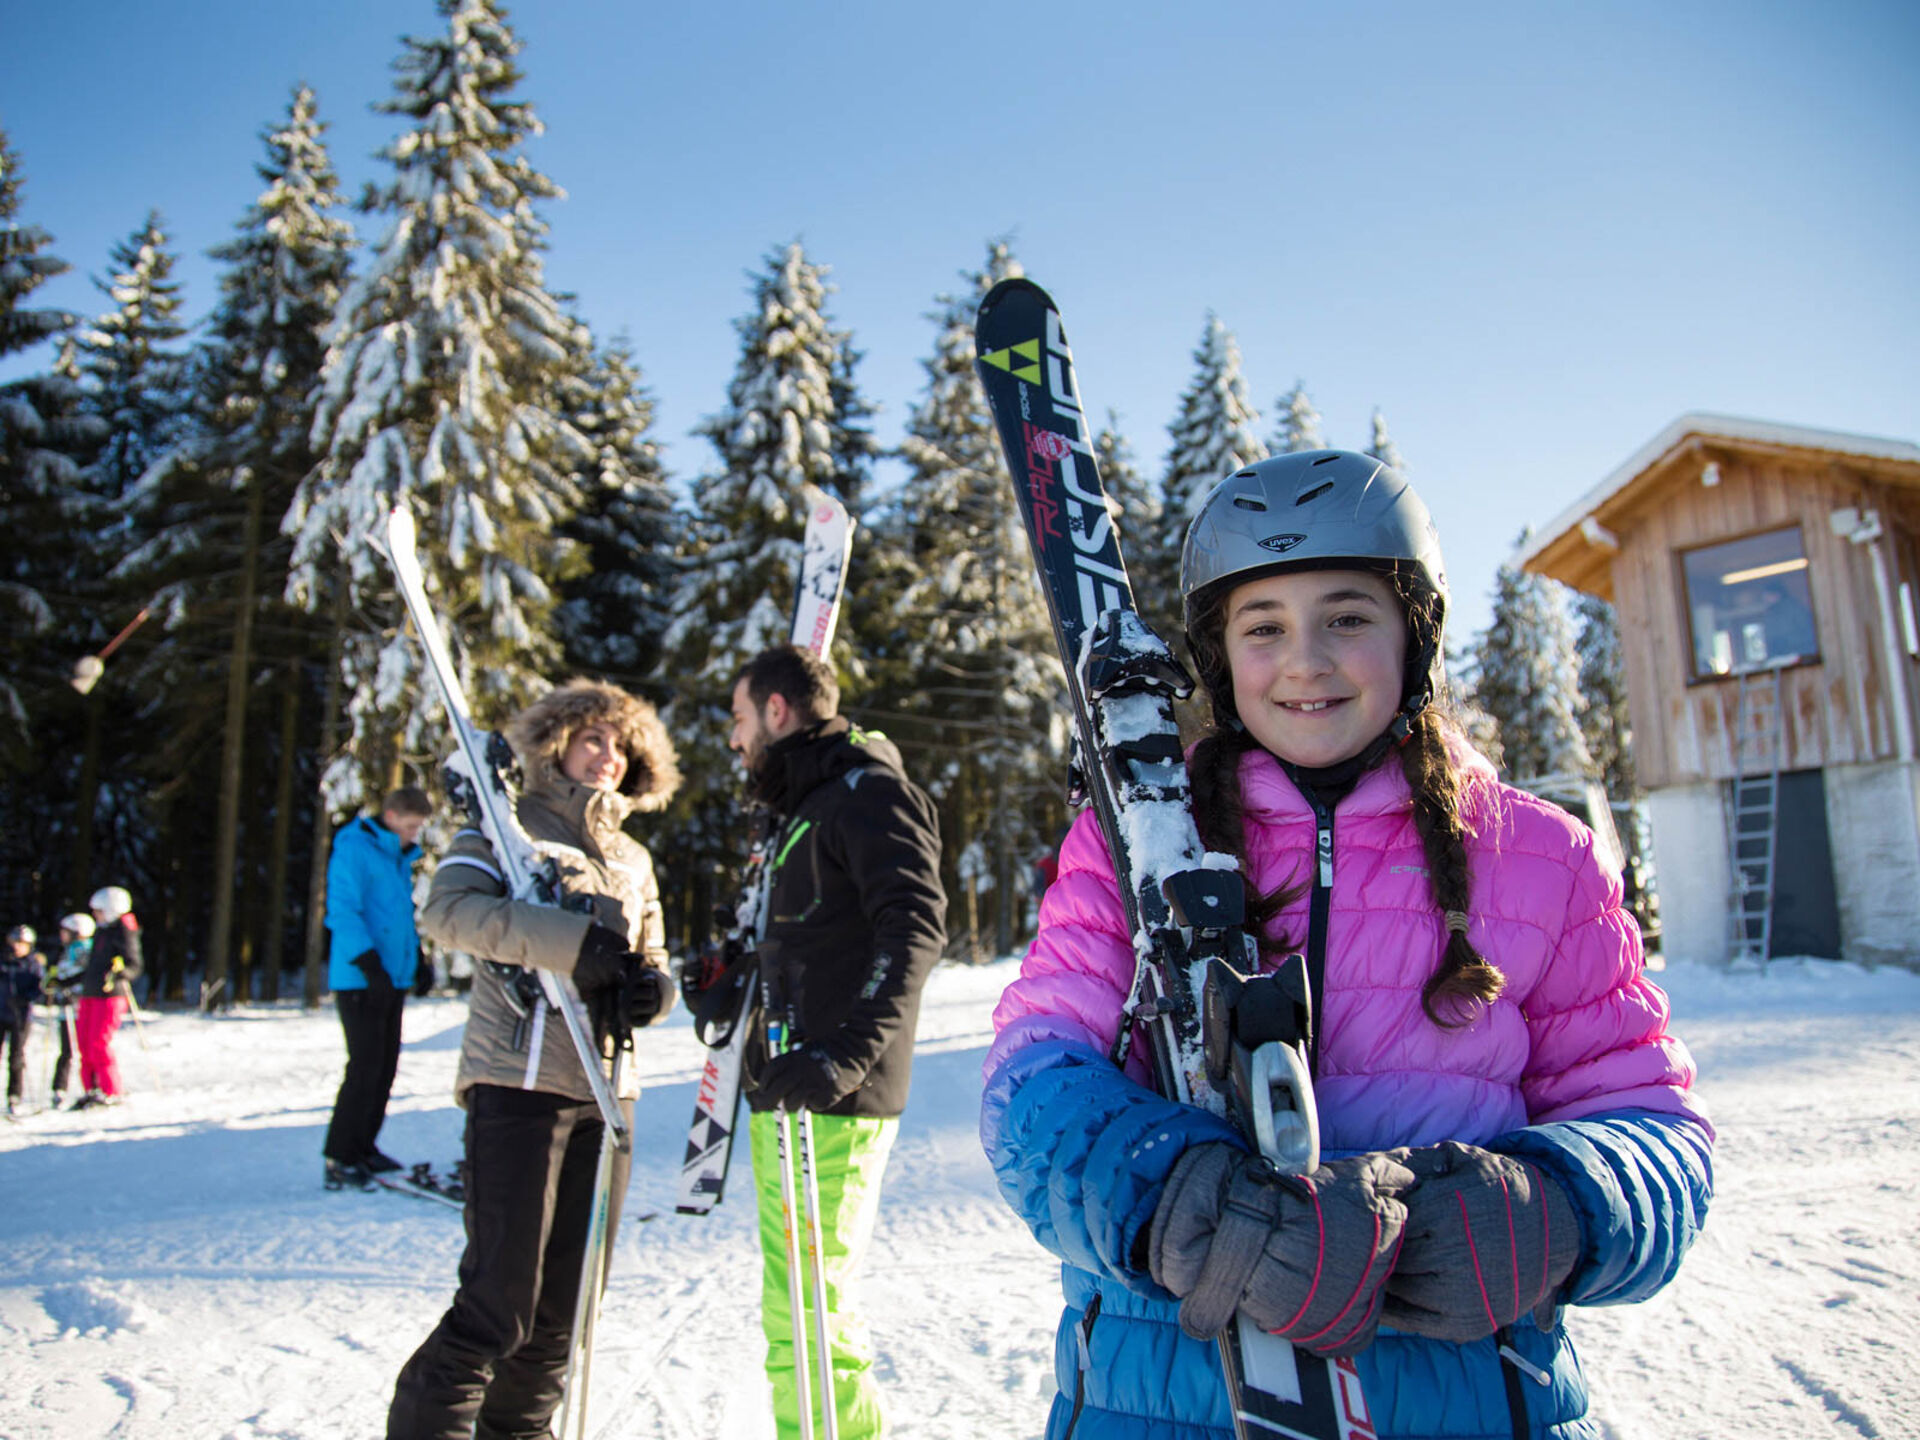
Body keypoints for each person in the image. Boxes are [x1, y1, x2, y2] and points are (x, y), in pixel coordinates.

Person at [980, 451, 1715, 1439]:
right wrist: (1178, 1198)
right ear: (1220, 656)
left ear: (1414, 636)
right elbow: (1031, 1082)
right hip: (1162, 1396)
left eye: (1348, 618)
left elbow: (1651, 1123)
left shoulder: (1540, 858)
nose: (1306, 661)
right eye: (1264, 627)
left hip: (1472, 1400)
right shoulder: (1134, 845)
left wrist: (1555, 1212)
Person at [388, 678, 680, 1440]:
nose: (607, 755)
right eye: (592, 738)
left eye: (620, 744)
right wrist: (573, 944)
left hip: (609, 1092)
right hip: (519, 1080)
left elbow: (653, 955)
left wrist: (653, 989)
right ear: (555, 744)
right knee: (499, 1303)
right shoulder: (508, 830)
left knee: (566, 1310)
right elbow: (449, 914)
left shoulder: (633, 858)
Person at [722, 644, 947, 1440]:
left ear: (777, 712)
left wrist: (843, 1056)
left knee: (814, 1312)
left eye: (741, 719)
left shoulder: (868, 792)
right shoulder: (805, 807)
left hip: (835, 1100)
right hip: (789, 1088)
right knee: (797, 1310)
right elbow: (811, 939)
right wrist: (729, 978)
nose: (736, 739)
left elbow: (915, 928)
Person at [321, 785, 434, 1188]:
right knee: (364, 1067)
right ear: (390, 817)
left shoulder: (396, 858)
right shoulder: (356, 848)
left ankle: (364, 1146)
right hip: (360, 977)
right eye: (409, 825)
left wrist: (417, 960)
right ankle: (339, 1157)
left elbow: (399, 916)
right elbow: (343, 911)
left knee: (385, 1067)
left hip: (391, 977)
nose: (414, 835)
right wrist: (369, 966)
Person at [72, 886, 142, 1109]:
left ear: (112, 910)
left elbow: (134, 964)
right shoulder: (102, 931)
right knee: (84, 1042)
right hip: (90, 992)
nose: (95, 915)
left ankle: (111, 1090)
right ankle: (91, 1089)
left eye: (99, 911)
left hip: (109, 994)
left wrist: (121, 971)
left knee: (98, 1042)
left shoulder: (123, 929)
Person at [46, 913, 93, 1105]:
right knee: (66, 1050)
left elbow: (84, 976)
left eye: (65, 932)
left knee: (83, 1048)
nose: (61, 935)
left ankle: (91, 1086)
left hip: (80, 1007)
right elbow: (59, 973)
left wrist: (66, 984)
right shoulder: (67, 951)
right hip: (65, 1007)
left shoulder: (85, 951)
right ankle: (59, 1088)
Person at [2, 925, 46, 1117]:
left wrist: (25, 998)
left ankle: (14, 1095)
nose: (18, 947)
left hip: (20, 1016)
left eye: (22, 944)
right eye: (15, 943)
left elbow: (39, 988)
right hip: (1, 1013)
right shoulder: (3, 961)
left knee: (16, 1056)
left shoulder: (33, 964)